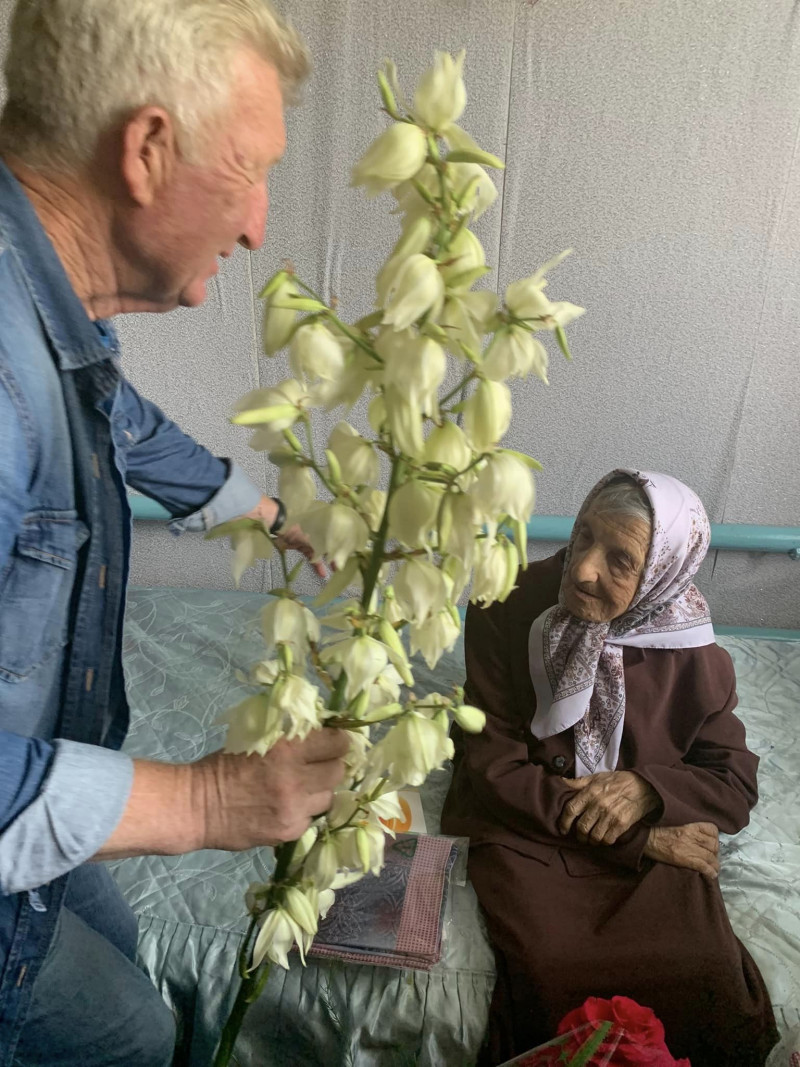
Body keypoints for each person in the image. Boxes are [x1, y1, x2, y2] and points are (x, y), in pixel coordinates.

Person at [0, 3, 349, 1064]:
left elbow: (121, 422)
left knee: (130, 957)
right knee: (138, 1035)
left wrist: (260, 510)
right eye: (248, 173)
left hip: (53, 752)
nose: (255, 226)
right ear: (147, 150)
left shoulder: (49, 306)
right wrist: (206, 799)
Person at [441, 469, 779, 1067]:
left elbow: (733, 782)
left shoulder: (696, 656)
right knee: (553, 973)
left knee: (707, 978)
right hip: (531, 828)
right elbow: (494, 768)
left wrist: (648, 789)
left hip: (650, 846)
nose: (583, 568)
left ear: (662, 574)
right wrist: (644, 837)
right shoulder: (506, 606)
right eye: (581, 536)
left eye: (620, 559)